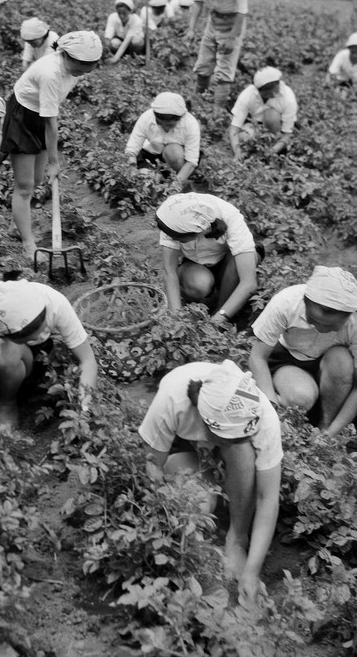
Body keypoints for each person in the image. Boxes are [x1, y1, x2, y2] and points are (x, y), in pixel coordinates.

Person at [139, 359, 282, 607]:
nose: (240, 438)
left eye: (243, 434)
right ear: (206, 424)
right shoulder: (172, 399)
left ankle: (236, 538)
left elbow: (267, 497)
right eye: (231, 436)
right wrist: (167, 519)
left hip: (222, 438)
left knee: (242, 451)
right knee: (202, 503)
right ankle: (196, 524)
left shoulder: (262, 415)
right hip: (183, 440)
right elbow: (151, 465)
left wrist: (252, 571)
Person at [0, 279, 98, 442]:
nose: (40, 334)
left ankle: (6, 402)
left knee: (3, 352)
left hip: (18, 358)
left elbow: (88, 361)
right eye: (32, 335)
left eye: (41, 331)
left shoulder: (53, 301)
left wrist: (83, 412)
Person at [1, 31, 103, 259]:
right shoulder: (50, 73)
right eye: (79, 67)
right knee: (25, 186)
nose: (81, 72)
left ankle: (14, 226)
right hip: (23, 117)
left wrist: (50, 161)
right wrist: (55, 162)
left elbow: (50, 116)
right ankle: (28, 244)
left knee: (36, 180)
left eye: (88, 67)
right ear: (65, 54)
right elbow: (51, 123)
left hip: (40, 115)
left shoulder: (73, 69)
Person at [249, 266, 357, 436]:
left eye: (331, 326)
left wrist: (332, 432)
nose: (320, 329)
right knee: (300, 398)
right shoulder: (287, 301)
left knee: (341, 359)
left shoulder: (354, 322)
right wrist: (271, 407)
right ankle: (274, 403)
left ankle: (325, 426)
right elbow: (257, 357)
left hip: (331, 366)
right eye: (313, 320)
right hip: (288, 359)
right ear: (305, 302)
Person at [156, 192, 258, 324]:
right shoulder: (174, 217)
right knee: (199, 284)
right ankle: (188, 299)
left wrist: (219, 318)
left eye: (177, 238)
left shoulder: (229, 217)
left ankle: (220, 310)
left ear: (199, 231)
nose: (172, 238)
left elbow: (249, 283)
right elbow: (169, 272)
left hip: (228, 265)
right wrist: (176, 317)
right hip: (196, 265)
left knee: (243, 260)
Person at [186, 0, 248, 112]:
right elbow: (198, 0)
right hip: (213, 21)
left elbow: (242, 12)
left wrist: (231, 38)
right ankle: (199, 105)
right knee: (203, 65)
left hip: (232, 23)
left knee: (223, 72)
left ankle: (216, 114)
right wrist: (191, 28)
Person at [124, 92, 200, 191]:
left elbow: (191, 161)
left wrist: (175, 185)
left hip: (176, 161)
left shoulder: (190, 124)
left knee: (173, 152)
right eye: (161, 124)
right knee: (146, 183)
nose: (165, 128)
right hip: (150, 157)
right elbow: (131, 149)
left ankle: (174, 179)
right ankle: (158, 177)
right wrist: (132, 168)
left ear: (180, 119)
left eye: (170, 125)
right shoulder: (146, 118)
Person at [229, 67, 298, 161]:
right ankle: (255, 152)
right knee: (243, 137)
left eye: (276, 91)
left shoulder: (288, 97)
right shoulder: (248, 94)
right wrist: (237, 151)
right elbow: (234, 128)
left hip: (277, 131)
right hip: (256, 127)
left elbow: (287, 135)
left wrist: (271, 152)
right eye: (269, 94)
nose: (274, 95)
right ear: (259, 90)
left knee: (271, 116)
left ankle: (275, 151)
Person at [104, 0, 144, 64]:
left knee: (136, 42)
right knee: (114, 43)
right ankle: (122, 56)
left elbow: (127, 41)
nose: (121, 16)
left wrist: (115, 59)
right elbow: (108, 37)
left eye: (124, 13)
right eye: (119, 13)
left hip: (132, 42)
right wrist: (105, 52)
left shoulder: (136, 20)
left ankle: (132, 57)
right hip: (120, 40)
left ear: (130, 11)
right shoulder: (113, 17)